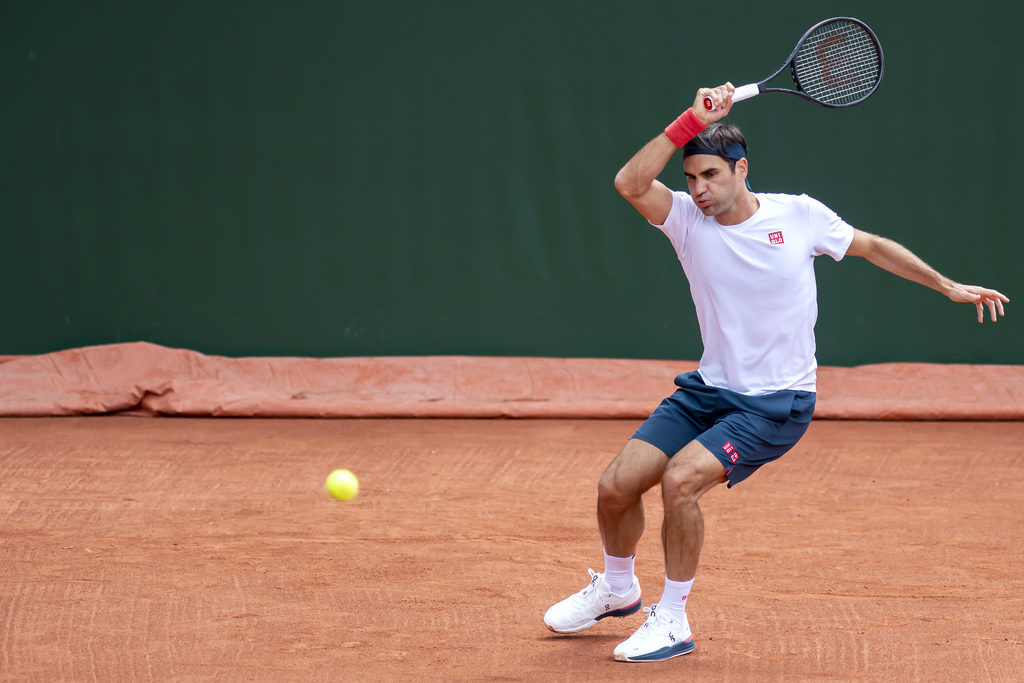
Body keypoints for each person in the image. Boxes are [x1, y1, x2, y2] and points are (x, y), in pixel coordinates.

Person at [542, 83, 1010, 663]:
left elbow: (870, 246)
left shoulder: (800, 215)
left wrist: (946, 284)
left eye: (711, 175)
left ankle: (674, 620)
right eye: (691, 178)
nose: (699, 189)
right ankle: (618, 589)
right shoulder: (686, 220)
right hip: (709, 391)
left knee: (680, 482)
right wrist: (690, 120)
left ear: (742, 170)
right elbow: (630, 183)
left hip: (776, 404)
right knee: (615, 487)